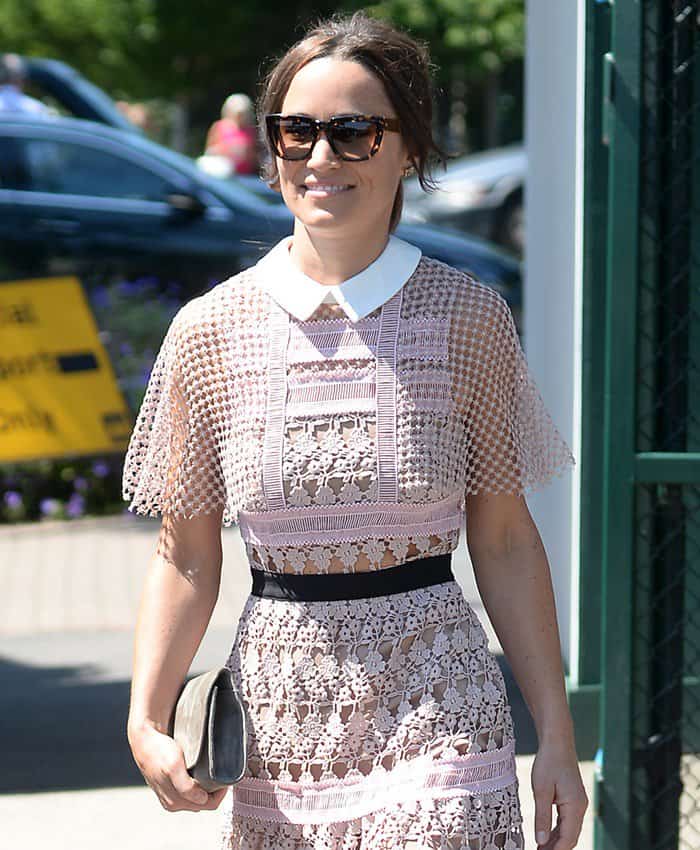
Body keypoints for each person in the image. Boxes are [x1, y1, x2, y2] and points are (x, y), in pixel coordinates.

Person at [123, 11, 588, 850]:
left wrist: (555, 734)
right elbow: (186, 551)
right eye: (297, 133)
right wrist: (145, 717)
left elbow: (508, 540)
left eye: (354, 133)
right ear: (270, 151)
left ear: (407, 149)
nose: (322, 157)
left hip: (443, 698)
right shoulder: (209, 330)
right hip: (280, 718)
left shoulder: (468, 317)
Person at [204, 92, 259, 175]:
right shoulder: (220, 127)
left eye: (243, 113)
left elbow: (258, 155)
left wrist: (247, 154)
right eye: (238, 113)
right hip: (224, 175)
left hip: (247, 175)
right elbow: (209, 152)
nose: (240, 116)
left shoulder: (252, 131)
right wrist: (226, 150)